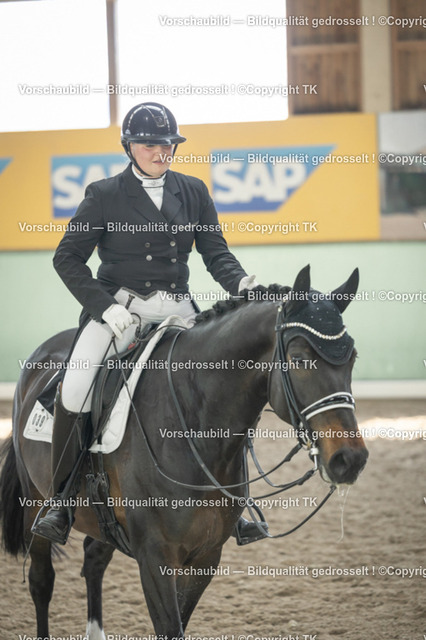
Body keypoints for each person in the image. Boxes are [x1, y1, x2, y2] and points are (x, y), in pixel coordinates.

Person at [32, 102, 267, 546]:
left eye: (169, 144)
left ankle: (235, 501)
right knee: (76, 385)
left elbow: (215, 252)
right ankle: (61, 502)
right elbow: (67, 258)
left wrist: (240, 282)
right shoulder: (104, 194)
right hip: (120, 309)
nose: (162, 152)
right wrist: (104, 307)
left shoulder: (193, 190)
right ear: (129, 147)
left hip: (179, 309)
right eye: (151, 145)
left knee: (227, 382)